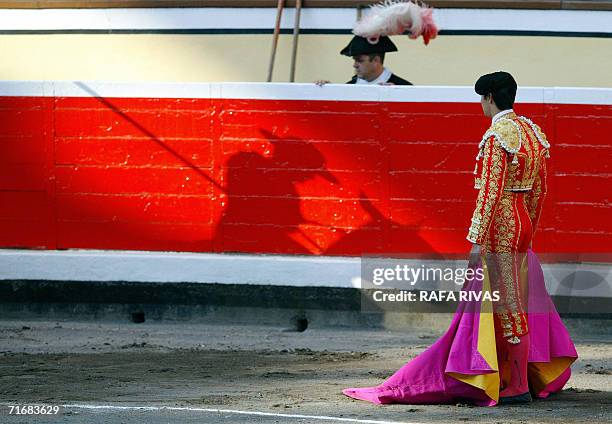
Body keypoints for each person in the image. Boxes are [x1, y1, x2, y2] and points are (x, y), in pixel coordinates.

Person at [342, 71, 578, 406]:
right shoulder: (531, 132)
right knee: (515, 300)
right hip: (522, 222)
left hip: (501, 226)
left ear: (489, 98)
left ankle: (518, 385)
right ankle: (517, 378)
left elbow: (491, 194)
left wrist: (477, 239)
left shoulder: (497, 136)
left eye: (481, 99)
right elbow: (540, 191)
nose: (481, 105)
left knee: (509, 305)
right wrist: (529, 229)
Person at [315, 36, 412, 86]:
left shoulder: (404, 88)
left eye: (360, 61)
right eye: (354, 60)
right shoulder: (349, 88)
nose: (354, 65)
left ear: (376, 61)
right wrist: (327, 92)